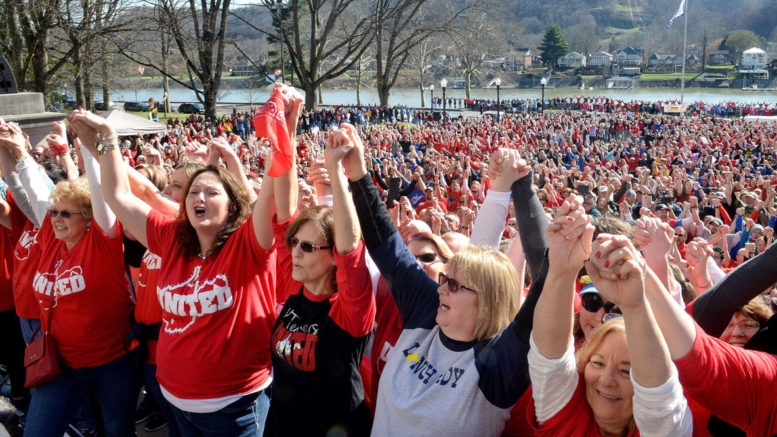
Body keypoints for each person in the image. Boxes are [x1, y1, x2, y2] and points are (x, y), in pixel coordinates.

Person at [67, 82, 302, 435]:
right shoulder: (172, 240)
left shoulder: (248, 246)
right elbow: (119, 196)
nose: (198, 197)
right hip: (175, 402)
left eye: (211, 191)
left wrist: (284, 131)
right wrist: (107, 143)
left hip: (234, 409)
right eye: (193, 191)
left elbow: (275, 183)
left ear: (234, 204)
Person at [345, 125, 544, 436]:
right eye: (444, 279)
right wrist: (358, 172)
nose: (440, 288)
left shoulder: (497, 365)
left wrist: (522, 188)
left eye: (454, 285)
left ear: (489, 301)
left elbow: (548, 284)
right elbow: (387, 245)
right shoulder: (426, 313)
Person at [0, 120, 137, 437]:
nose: (56, 218)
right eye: (54, 212)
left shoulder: (103, 242)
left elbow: (102, 194)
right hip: (61, 365)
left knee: (118, 431)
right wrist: (20, 154)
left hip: (111, 365)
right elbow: (34, 188)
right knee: (38, 431)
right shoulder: (49, 236)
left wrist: (91, 147)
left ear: (88, 219)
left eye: (66, 213)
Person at [528, 196, 692, 436]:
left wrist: (635, 305)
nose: (607, 380)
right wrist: (561, 269)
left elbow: (660, 401)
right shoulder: (565, 414)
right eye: (597, 363)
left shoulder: (666, 429)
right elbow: (548, 362)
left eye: (627, 371)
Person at [267, 128, 375, 436]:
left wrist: (336, 173)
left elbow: (351, 249)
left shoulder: (348, 311)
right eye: (295, 243)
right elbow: (285, 213)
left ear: (333, 257)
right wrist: (284, 129)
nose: (296, 252)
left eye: (308, 246)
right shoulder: (295, 286)